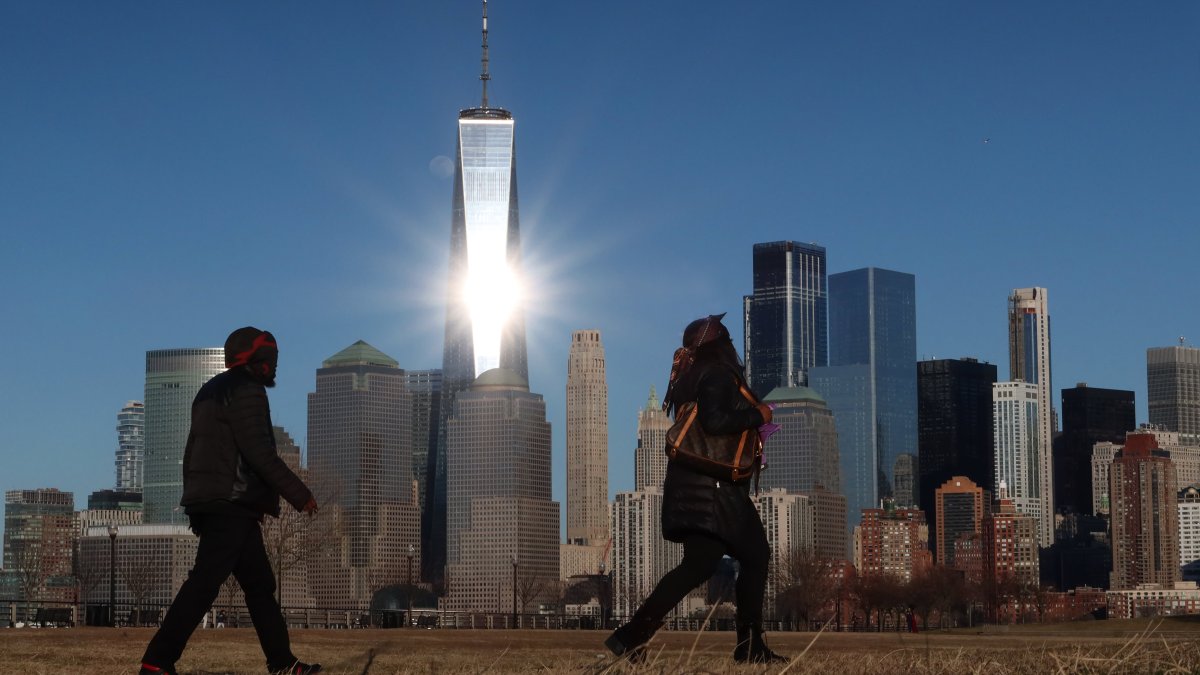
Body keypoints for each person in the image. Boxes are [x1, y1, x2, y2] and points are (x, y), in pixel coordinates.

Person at [605, 314, 787, 664]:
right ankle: (749, 647)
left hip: (691, 486)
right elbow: (715, 422)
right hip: (716, 490)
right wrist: (759, 416)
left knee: (699, 565)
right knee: (756, 556)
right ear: (721, 345)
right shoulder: (718, 374)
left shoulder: (690, 376)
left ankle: (631, 636)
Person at [140, 327, 322, 675]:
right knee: (205, 583)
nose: (276, 368)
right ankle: (157, 662)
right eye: (273, 361)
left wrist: (194, 502)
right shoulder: (248, 390)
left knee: (259, 586)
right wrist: (301, 495)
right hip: (233, 505)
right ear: (260, 363)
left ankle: (283, 663)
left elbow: (192, 450)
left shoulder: (209, 391)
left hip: (218, 504)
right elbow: (259, 452)